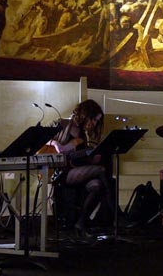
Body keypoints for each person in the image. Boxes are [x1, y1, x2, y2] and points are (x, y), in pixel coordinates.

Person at [45, 99, 113, 237]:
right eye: (94, 120)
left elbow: (77, 159)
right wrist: (56, 144)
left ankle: (81, 222)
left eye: (97, 122)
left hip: (74, 170)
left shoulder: (83, 135)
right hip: (61, 172)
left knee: (97, 185)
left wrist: (91, 158)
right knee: (101, 170)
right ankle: (115, 213)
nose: (94, 124)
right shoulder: (62, 123)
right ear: (86, 115)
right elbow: (40, 137)